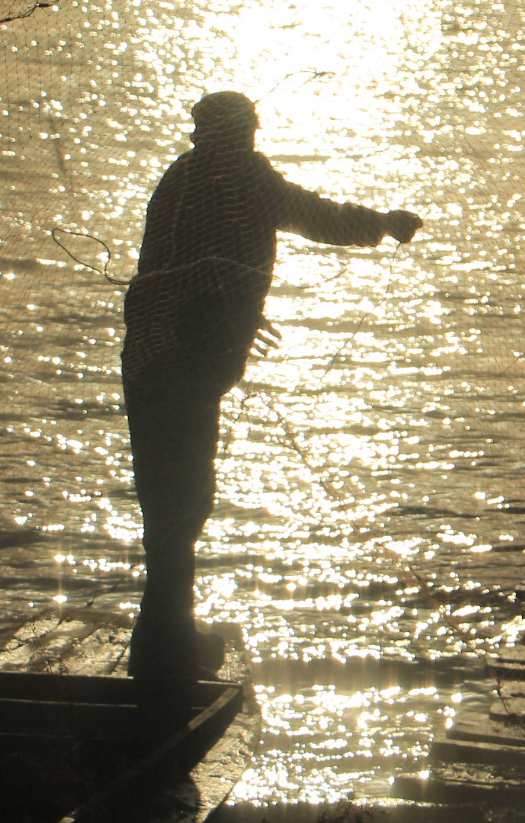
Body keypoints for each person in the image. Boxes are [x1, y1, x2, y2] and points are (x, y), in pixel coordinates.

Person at [121, 90, 422, 686]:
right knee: (182, 509)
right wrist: (385, 225)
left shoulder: (180, 178)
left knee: (170, 510)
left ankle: (168, 640)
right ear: (239, 132)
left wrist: (231, 315)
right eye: (251, 125)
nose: (256, 133)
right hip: (181, 363)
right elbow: (313, 217)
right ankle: (165, 655)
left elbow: (171, 269)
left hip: (147, 363)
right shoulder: (241, 178)